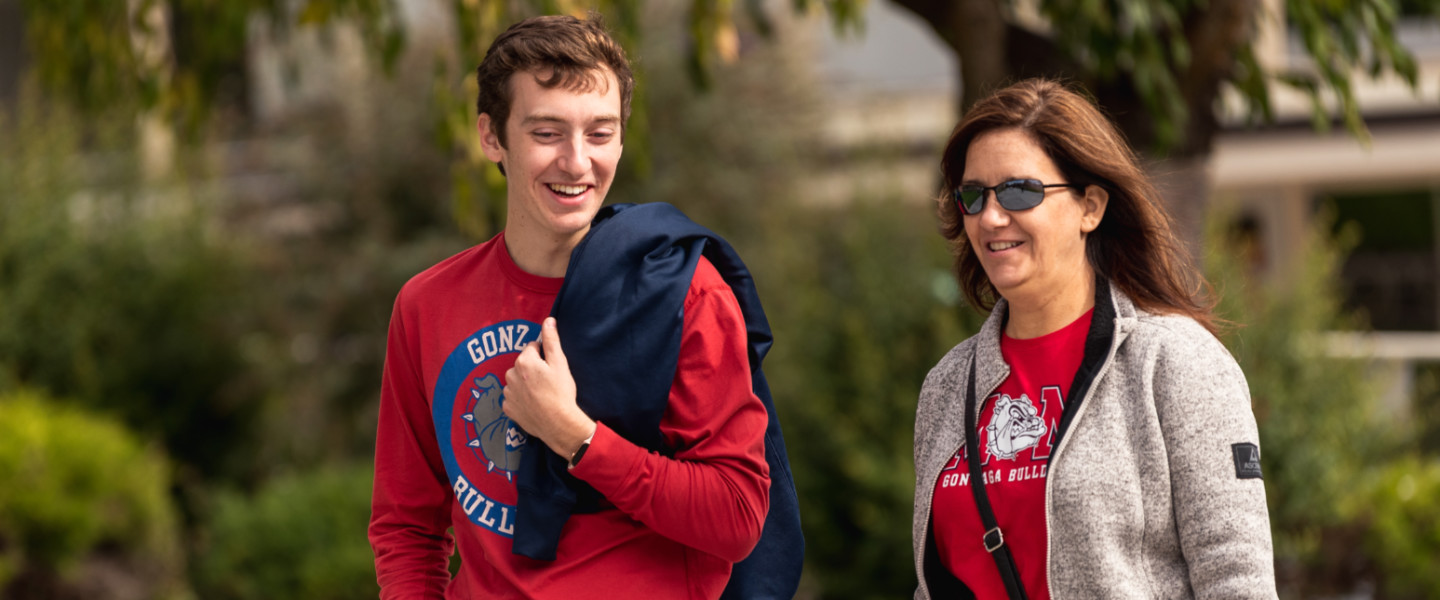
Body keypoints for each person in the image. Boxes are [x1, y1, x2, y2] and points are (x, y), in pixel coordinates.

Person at [369, 14, 802, 599]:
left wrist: (578, 438)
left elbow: (737, 517)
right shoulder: (427, 305)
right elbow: (408, 524)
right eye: (546, 133)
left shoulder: (685, 293)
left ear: (622, 138)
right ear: (492, 137)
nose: (576, 162)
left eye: (599, 133)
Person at [911, 78, 1277, 599]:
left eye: (1020, 190)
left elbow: (1236, 579)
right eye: (973, 195)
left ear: (1091, 207)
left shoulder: (1174, 361)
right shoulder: (947, 386)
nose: (991, 216)